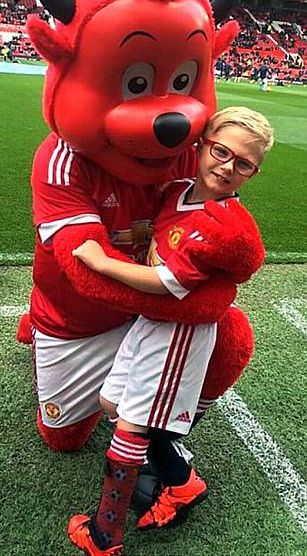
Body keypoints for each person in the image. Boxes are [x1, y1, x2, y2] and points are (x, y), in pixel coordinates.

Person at [68, 106, 274, 556]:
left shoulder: (222, 223)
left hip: (179, 331)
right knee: (111, 403)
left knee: (130, 426)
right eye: (222, 151)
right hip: (153, 323)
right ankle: (184, 483)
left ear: (252, 173)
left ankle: (106, 535)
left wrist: (101, 262)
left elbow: (167, 284)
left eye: (243, 163)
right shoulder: (179, 191)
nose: (228, 166)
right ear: (202, 146)